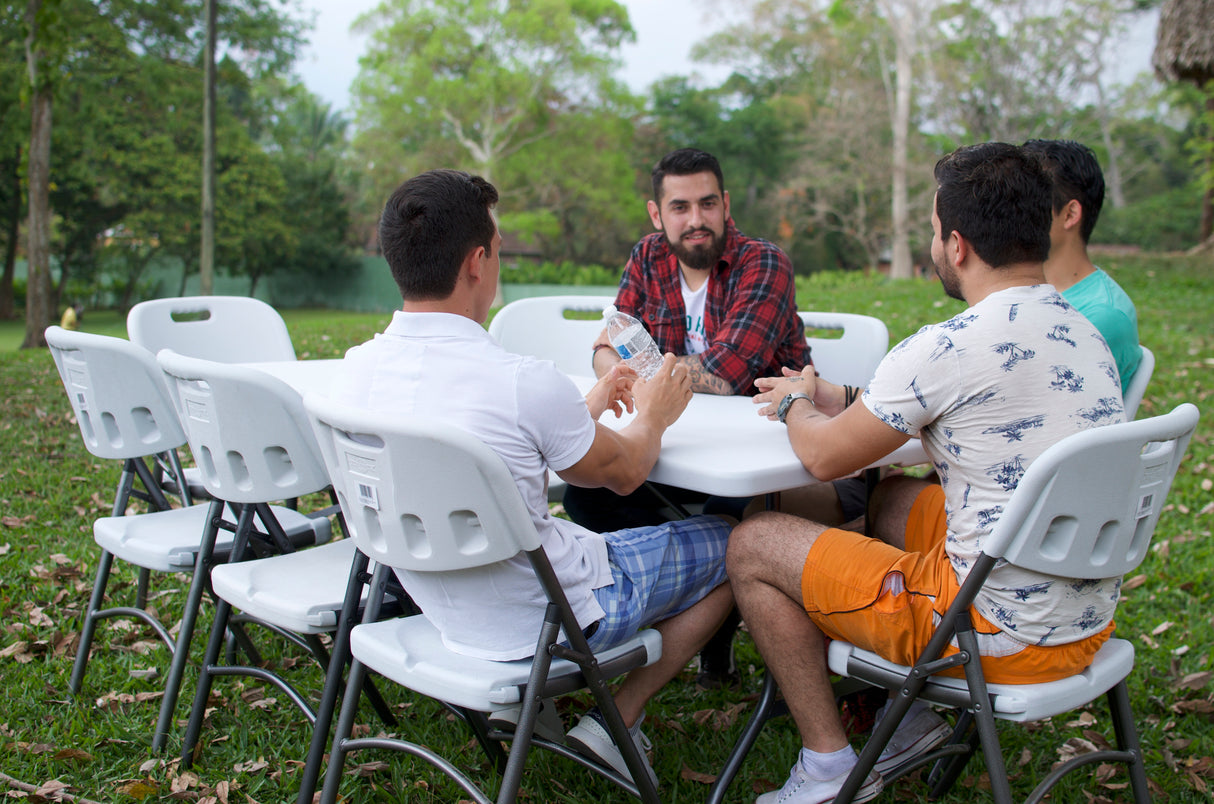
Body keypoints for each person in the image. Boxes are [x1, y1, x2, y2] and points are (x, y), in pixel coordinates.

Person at [727, 142, 1126, 804]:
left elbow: (823, 458)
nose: (934, 244)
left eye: (936, 231)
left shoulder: (946, 346)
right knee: (891, 503)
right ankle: (902, 716)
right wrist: (841, 398)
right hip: (1084, 617)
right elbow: (953, 410)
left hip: (993, 634)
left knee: (754, 541)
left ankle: (828, 767)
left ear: (958, 244)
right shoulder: (1085, 333)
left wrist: (796, 403)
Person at [334, 168, 735, 788]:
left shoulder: (355, 375)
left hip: (445, 609)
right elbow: (626, 473)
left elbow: (495, 449)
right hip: (553, 615)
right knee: (741, 541)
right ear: (478, 261)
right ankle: (618, 720)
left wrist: (589, 405)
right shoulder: (518, 380)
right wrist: (653, 414)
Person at [566, 147, 816, 688]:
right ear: (658, 214)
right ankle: (669, 613)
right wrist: (616, 366)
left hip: (757, 440)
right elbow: (605, 345)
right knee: (586, 495)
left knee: (727, 511)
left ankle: (712, 632)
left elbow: (729, 371)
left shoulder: (763, 262)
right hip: (680, 434)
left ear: (725, 204)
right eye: (679, 207)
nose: (696, 220)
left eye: (707, 203)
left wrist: (635, 372)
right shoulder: (648, 257)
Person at [1023, 138, 1140, 392]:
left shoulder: (1101, 316)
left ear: (1070, 214)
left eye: (1026, 203)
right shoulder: (1021, 292)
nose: (1012, 214)